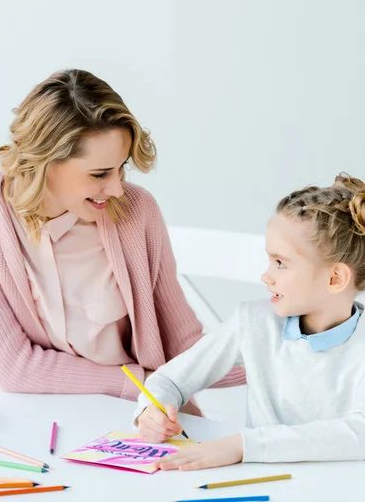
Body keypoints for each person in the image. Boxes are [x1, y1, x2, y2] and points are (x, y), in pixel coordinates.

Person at [0, 68, 245, 404]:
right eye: (99, 174)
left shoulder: (136, 211)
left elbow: (185, 349)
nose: (116, 188)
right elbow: (15, 367)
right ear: (43, 161)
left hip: (142, 418)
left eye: (121, 167)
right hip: (38, 418)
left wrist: (288, 354)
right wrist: (143, 382)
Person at [135, 174, 365, 468]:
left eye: (280, 263)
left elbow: (359, 433)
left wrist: (244, 446)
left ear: (335, 278)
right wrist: (151, 410)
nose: (266, 275)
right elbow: (169, 379)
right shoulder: (253, 323)